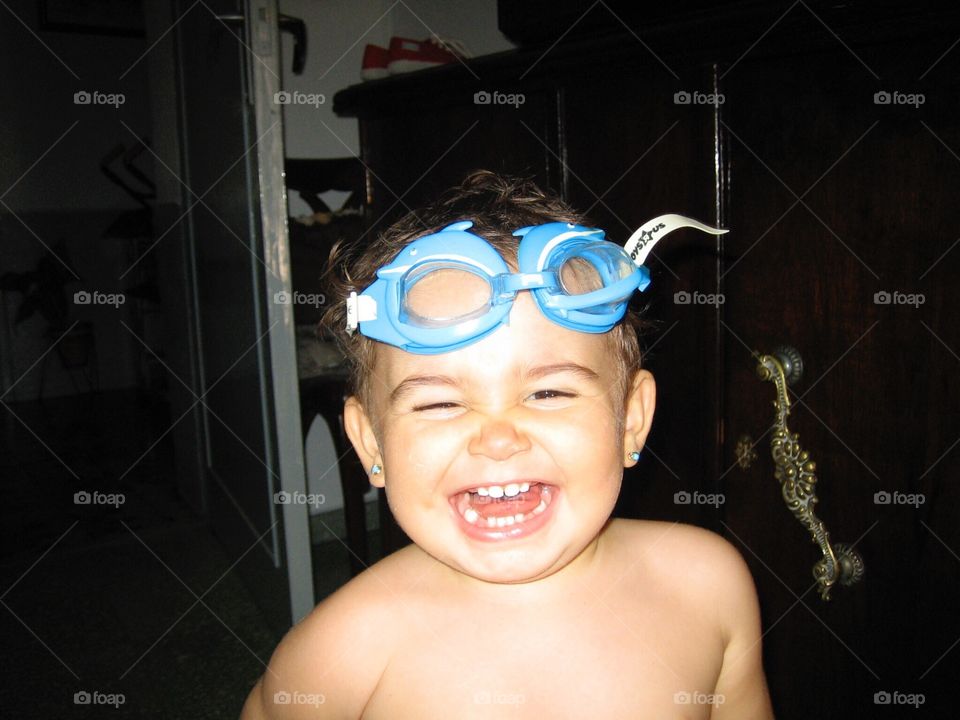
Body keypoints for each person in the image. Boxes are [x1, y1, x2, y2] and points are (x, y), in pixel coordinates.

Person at [240, 171, 775, 719]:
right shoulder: (343, 652)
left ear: (631, 420)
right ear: (370, 442)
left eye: (547, 392)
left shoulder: (709, 585)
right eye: (439, 403)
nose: (498, 438)